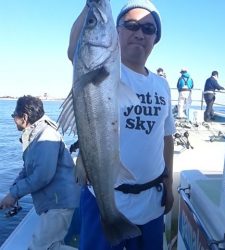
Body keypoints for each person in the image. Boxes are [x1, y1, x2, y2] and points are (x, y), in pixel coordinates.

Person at [68, 1, 176, 249]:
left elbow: (167, 137)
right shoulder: (101, 68)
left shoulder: (162, 85)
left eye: (149, 29)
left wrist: (169, 184)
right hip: (104, 200)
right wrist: (92, 6)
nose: (139, 33)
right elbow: (76, 48)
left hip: (152, 202)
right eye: (131, 25)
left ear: (155, 38)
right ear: (116, 32)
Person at [0, 95, 80, 250]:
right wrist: (12, 192)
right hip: (55, 200)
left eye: (13, 116)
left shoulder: (46, 135)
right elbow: (28, 169)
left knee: (43, 248)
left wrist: (15, 194)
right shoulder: (35, 135)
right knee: (51, 245)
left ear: (24, 117)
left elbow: (42, 176)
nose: (13, 119)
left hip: (59, 201)